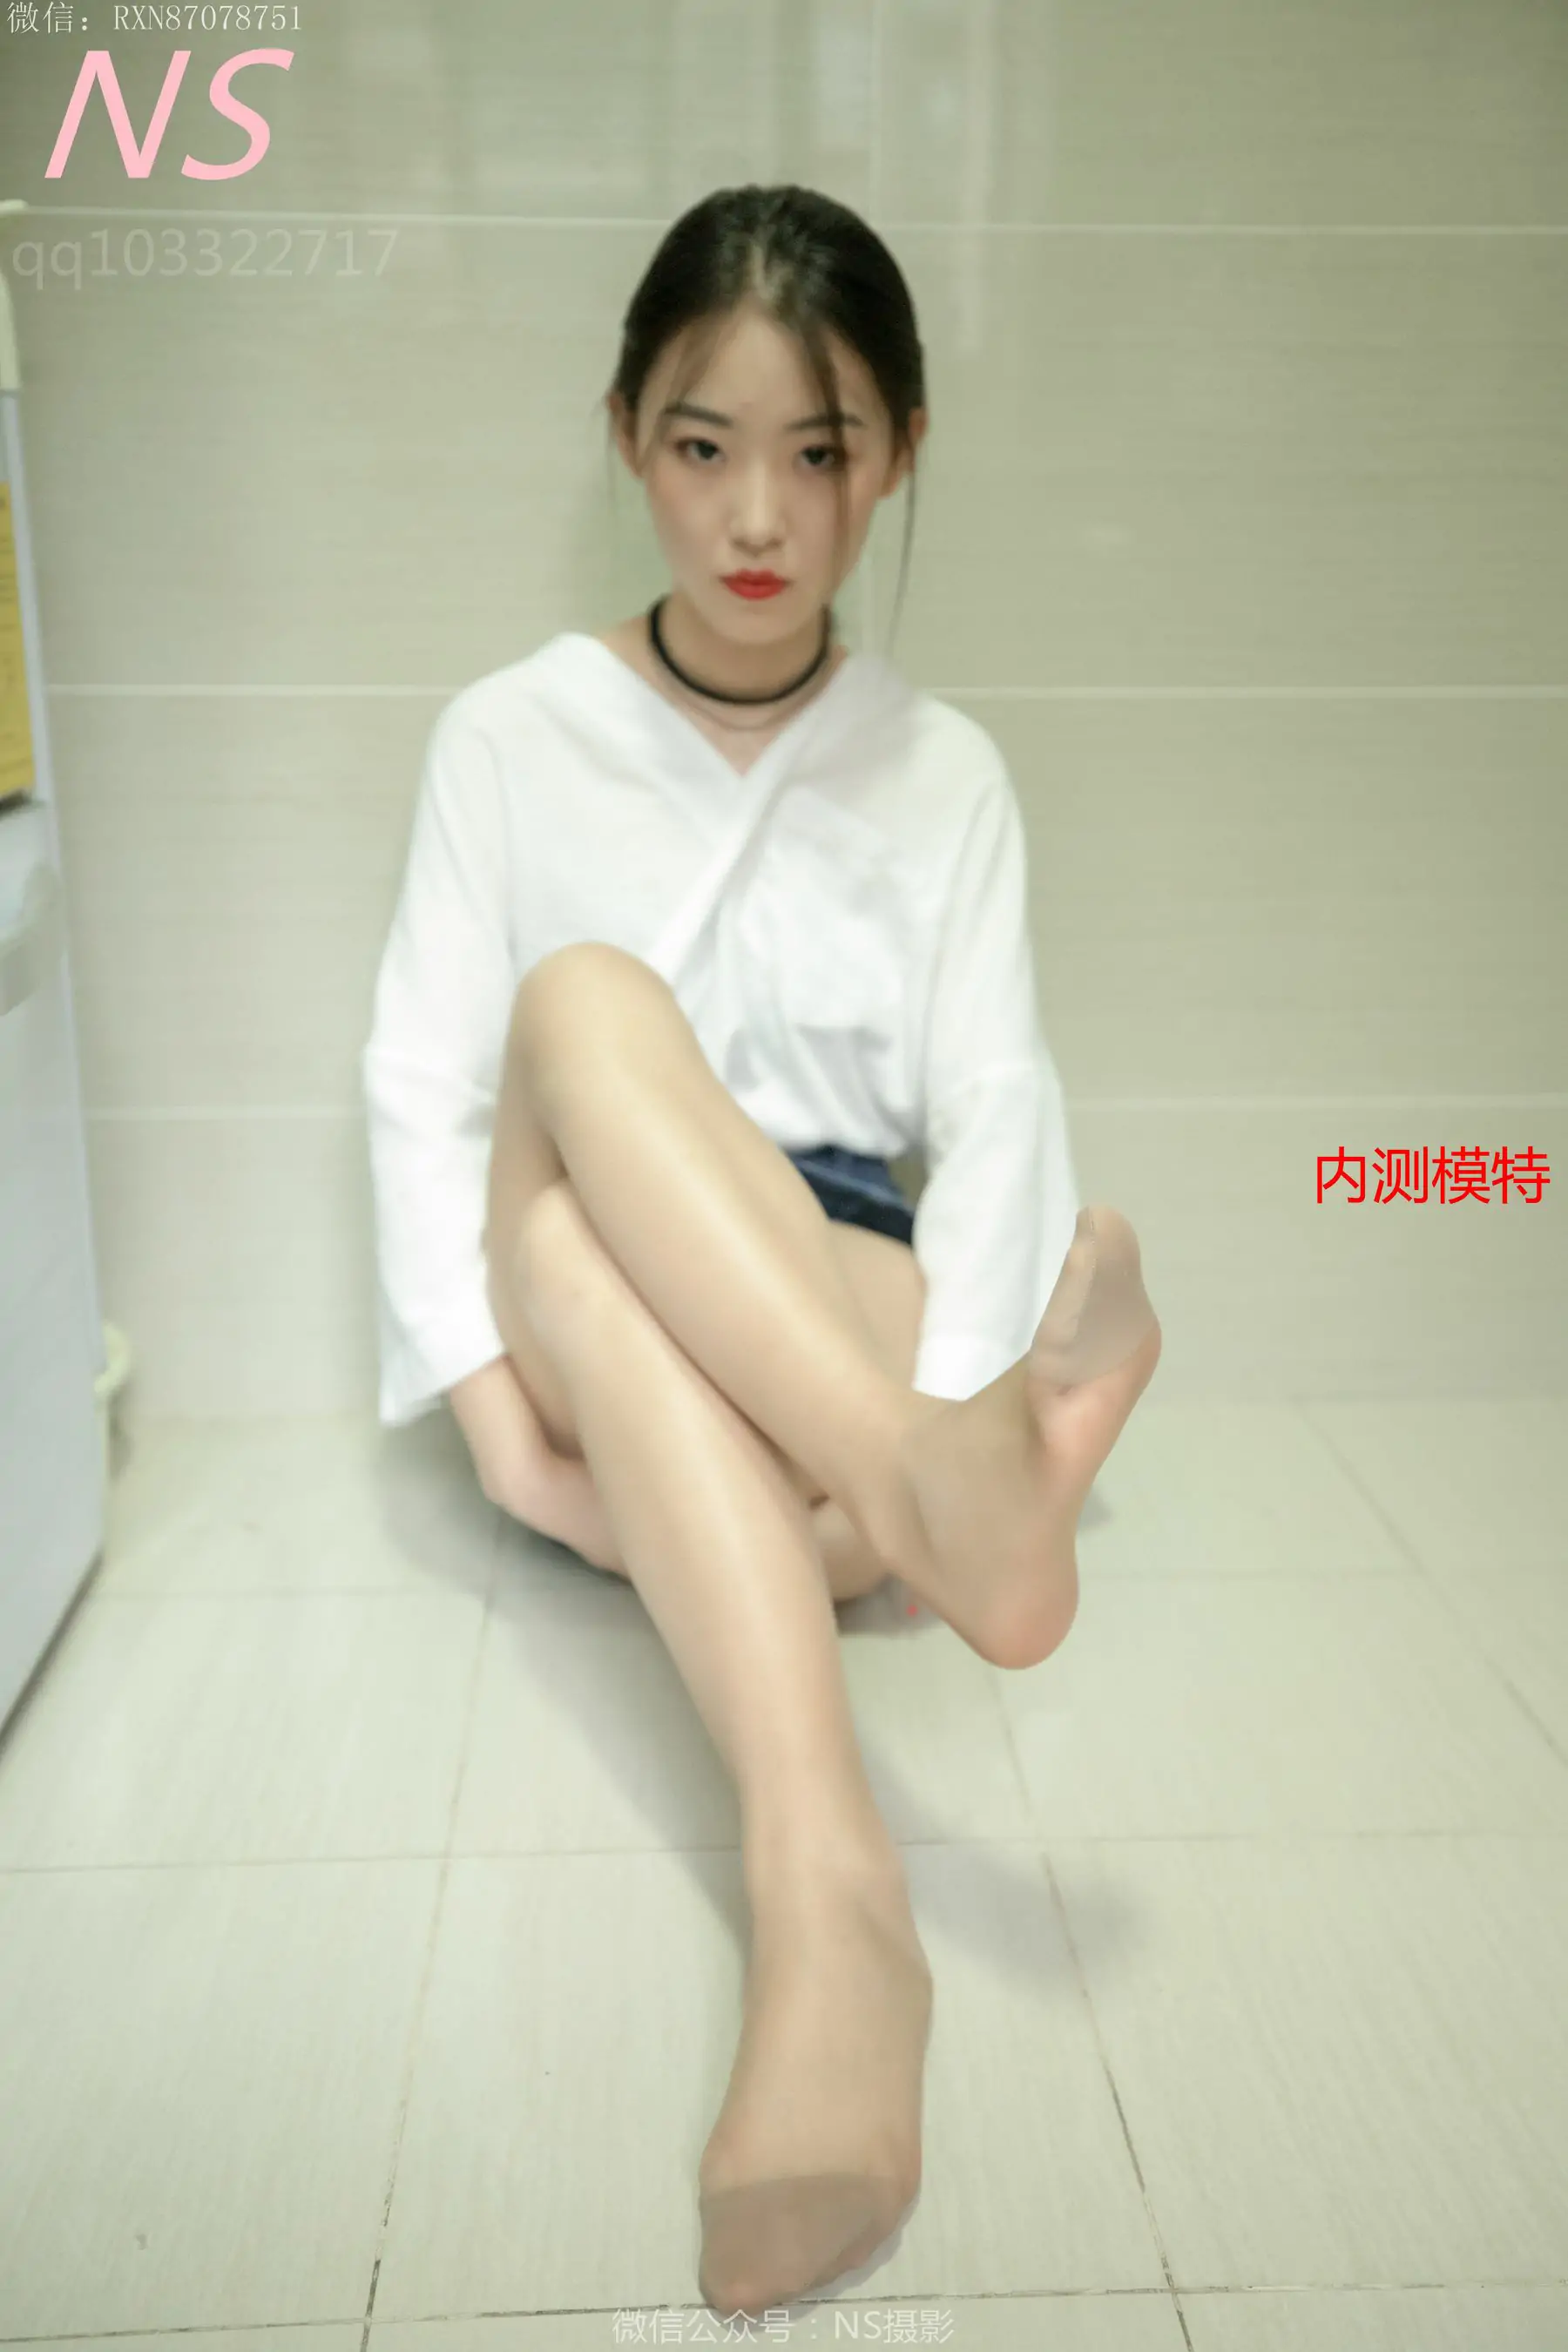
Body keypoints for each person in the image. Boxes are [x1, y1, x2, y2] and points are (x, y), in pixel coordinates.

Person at [361, 182, 1162, 2322]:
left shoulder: (949, 773)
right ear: (627, 433)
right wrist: (506, 1447)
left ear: (897, 454)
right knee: (576, 1019)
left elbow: (992, 1112)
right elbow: (421, 1086)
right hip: (580, 1269)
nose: (757, 515)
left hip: (834, 1274)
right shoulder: (508, 733)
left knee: (675, 1273)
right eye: (705, 444)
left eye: (820, 452)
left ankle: (872, 1633)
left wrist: (954, 1379)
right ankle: (849, 1798)